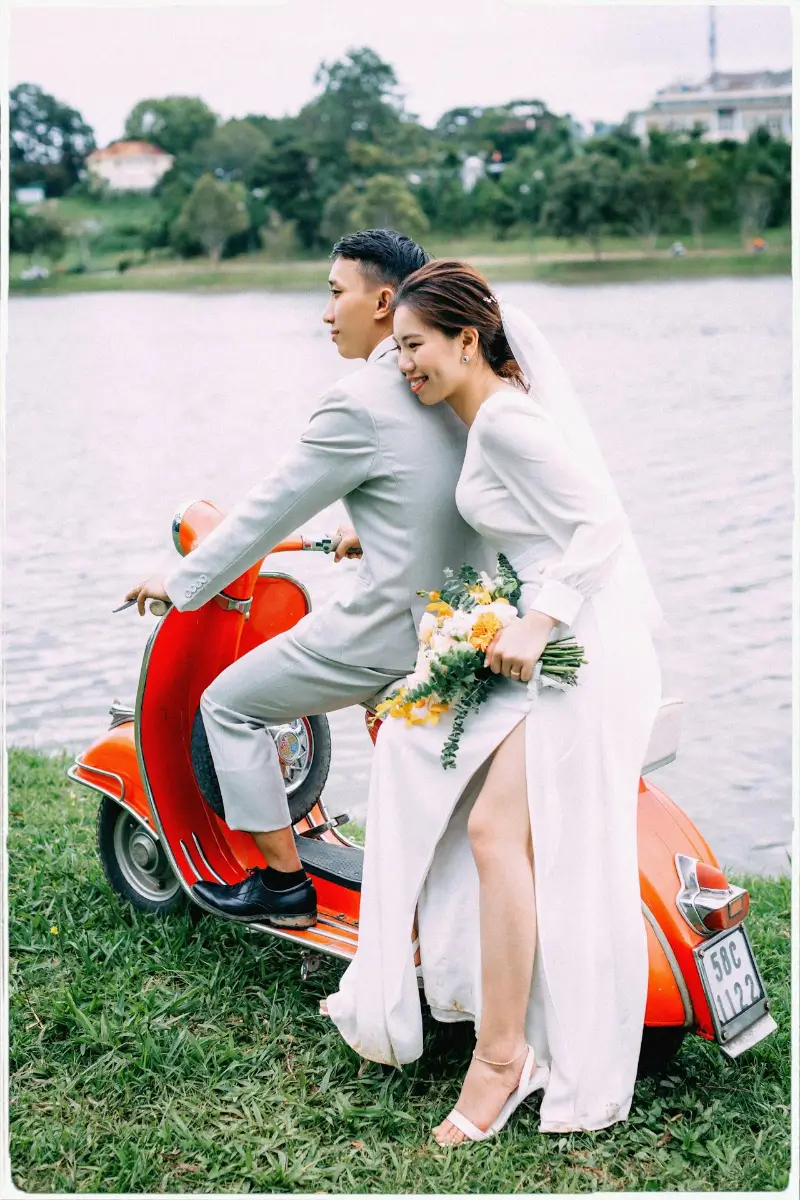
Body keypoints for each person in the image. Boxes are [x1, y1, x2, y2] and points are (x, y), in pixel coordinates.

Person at [323, 260, 663, 1145]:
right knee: (442, 781)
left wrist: (539, 619)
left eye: (415, 346)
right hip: (549, 647)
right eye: (397, 350)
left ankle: (504, 1057)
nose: (405, 365)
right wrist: (371, 535)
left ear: (467, 339)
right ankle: (483, 1008)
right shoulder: (487, 416)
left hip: (580, 653)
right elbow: (513, 522)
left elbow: (600, 523)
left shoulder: (507, 422)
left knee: (491, 832)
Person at [125, 230, 487, 929]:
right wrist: (375, 527)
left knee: (227, 704)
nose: (325, 313)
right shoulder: (454, 378)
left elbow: (268, 510)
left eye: (334, 293)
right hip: (466, 619)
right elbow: (442, 486)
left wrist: (182, 580)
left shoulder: (359, 401)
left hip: (395, 630)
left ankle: (283, 884)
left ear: (382, 302)